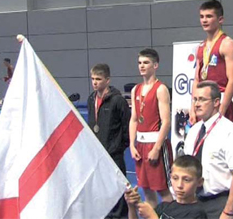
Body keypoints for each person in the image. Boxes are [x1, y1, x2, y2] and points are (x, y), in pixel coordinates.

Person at [184, 80, 233, 219]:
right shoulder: (193, 131)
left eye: (202, 99)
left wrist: (229, 211)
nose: (197, 104)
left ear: (216, 102)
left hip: (220, 202)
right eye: (195, 99)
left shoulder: (231, 132)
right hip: (194, 200)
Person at [129, 48, 173, 208]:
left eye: (146, 62)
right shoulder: (135, 90)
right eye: (140, 62)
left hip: (155, 145)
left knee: (163, 190)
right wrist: (131, 145)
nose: (142, 66)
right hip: (140, 145)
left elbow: (166, 121)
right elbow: (134, 119)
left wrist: (156, 148)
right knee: (146, 189)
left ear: (155, 65)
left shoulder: (161, 89)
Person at [87, 63, 130, 218]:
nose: (95, 82)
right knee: (101, 189)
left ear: (107, 80)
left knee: (117, 189)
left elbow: (127, 127)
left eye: (98, 79)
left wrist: (118, 147)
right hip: (97, 155)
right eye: (92, 79)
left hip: (114, 153)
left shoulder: (118, 101)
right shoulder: (91, 99)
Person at [190, 0, 233, 124]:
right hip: (203, 103)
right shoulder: (201, 47)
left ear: (220, 19)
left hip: (219, 103)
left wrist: (221, 109)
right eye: (202, 17)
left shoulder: (227, 44)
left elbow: (232, 81)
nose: (204, 20)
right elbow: (196, 79)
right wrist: (192, 106)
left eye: (209, 16)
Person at [124, 155, 207, 219]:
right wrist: (131, 206)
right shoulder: (164, 207)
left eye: (186, 180)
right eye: (175, 178)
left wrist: (151, 216)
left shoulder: (198, 213)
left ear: (199, 182)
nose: (179, 185)